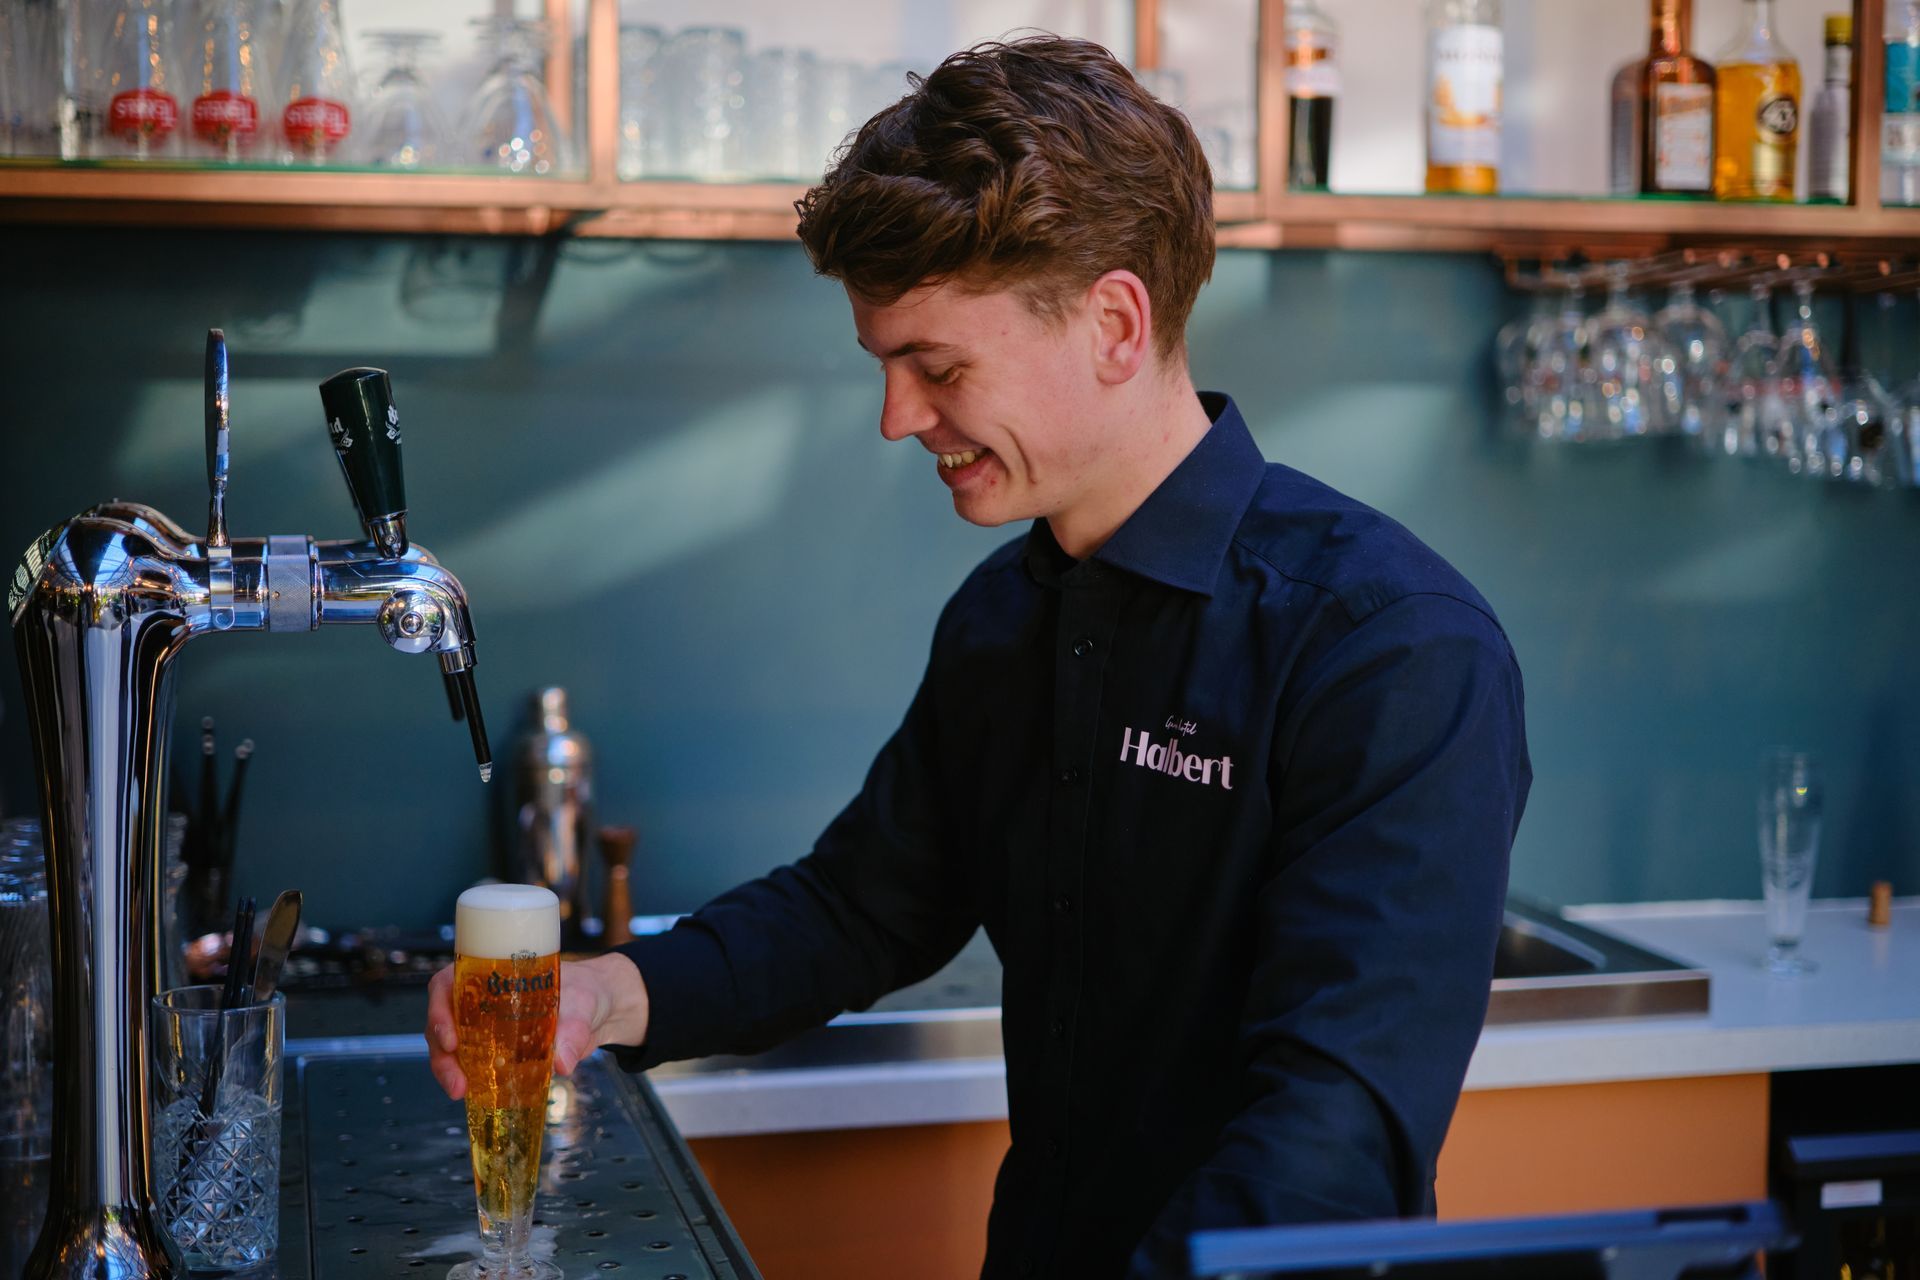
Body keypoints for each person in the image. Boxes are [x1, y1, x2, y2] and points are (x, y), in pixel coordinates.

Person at [426, 34, 1531, 1279]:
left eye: (936, 365)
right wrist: (605, 994)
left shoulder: (1389, 649)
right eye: (885, 364)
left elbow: (1332, 1139)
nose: (898, 417)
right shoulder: (1009, 614)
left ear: (1116, 321)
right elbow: (859, 904)